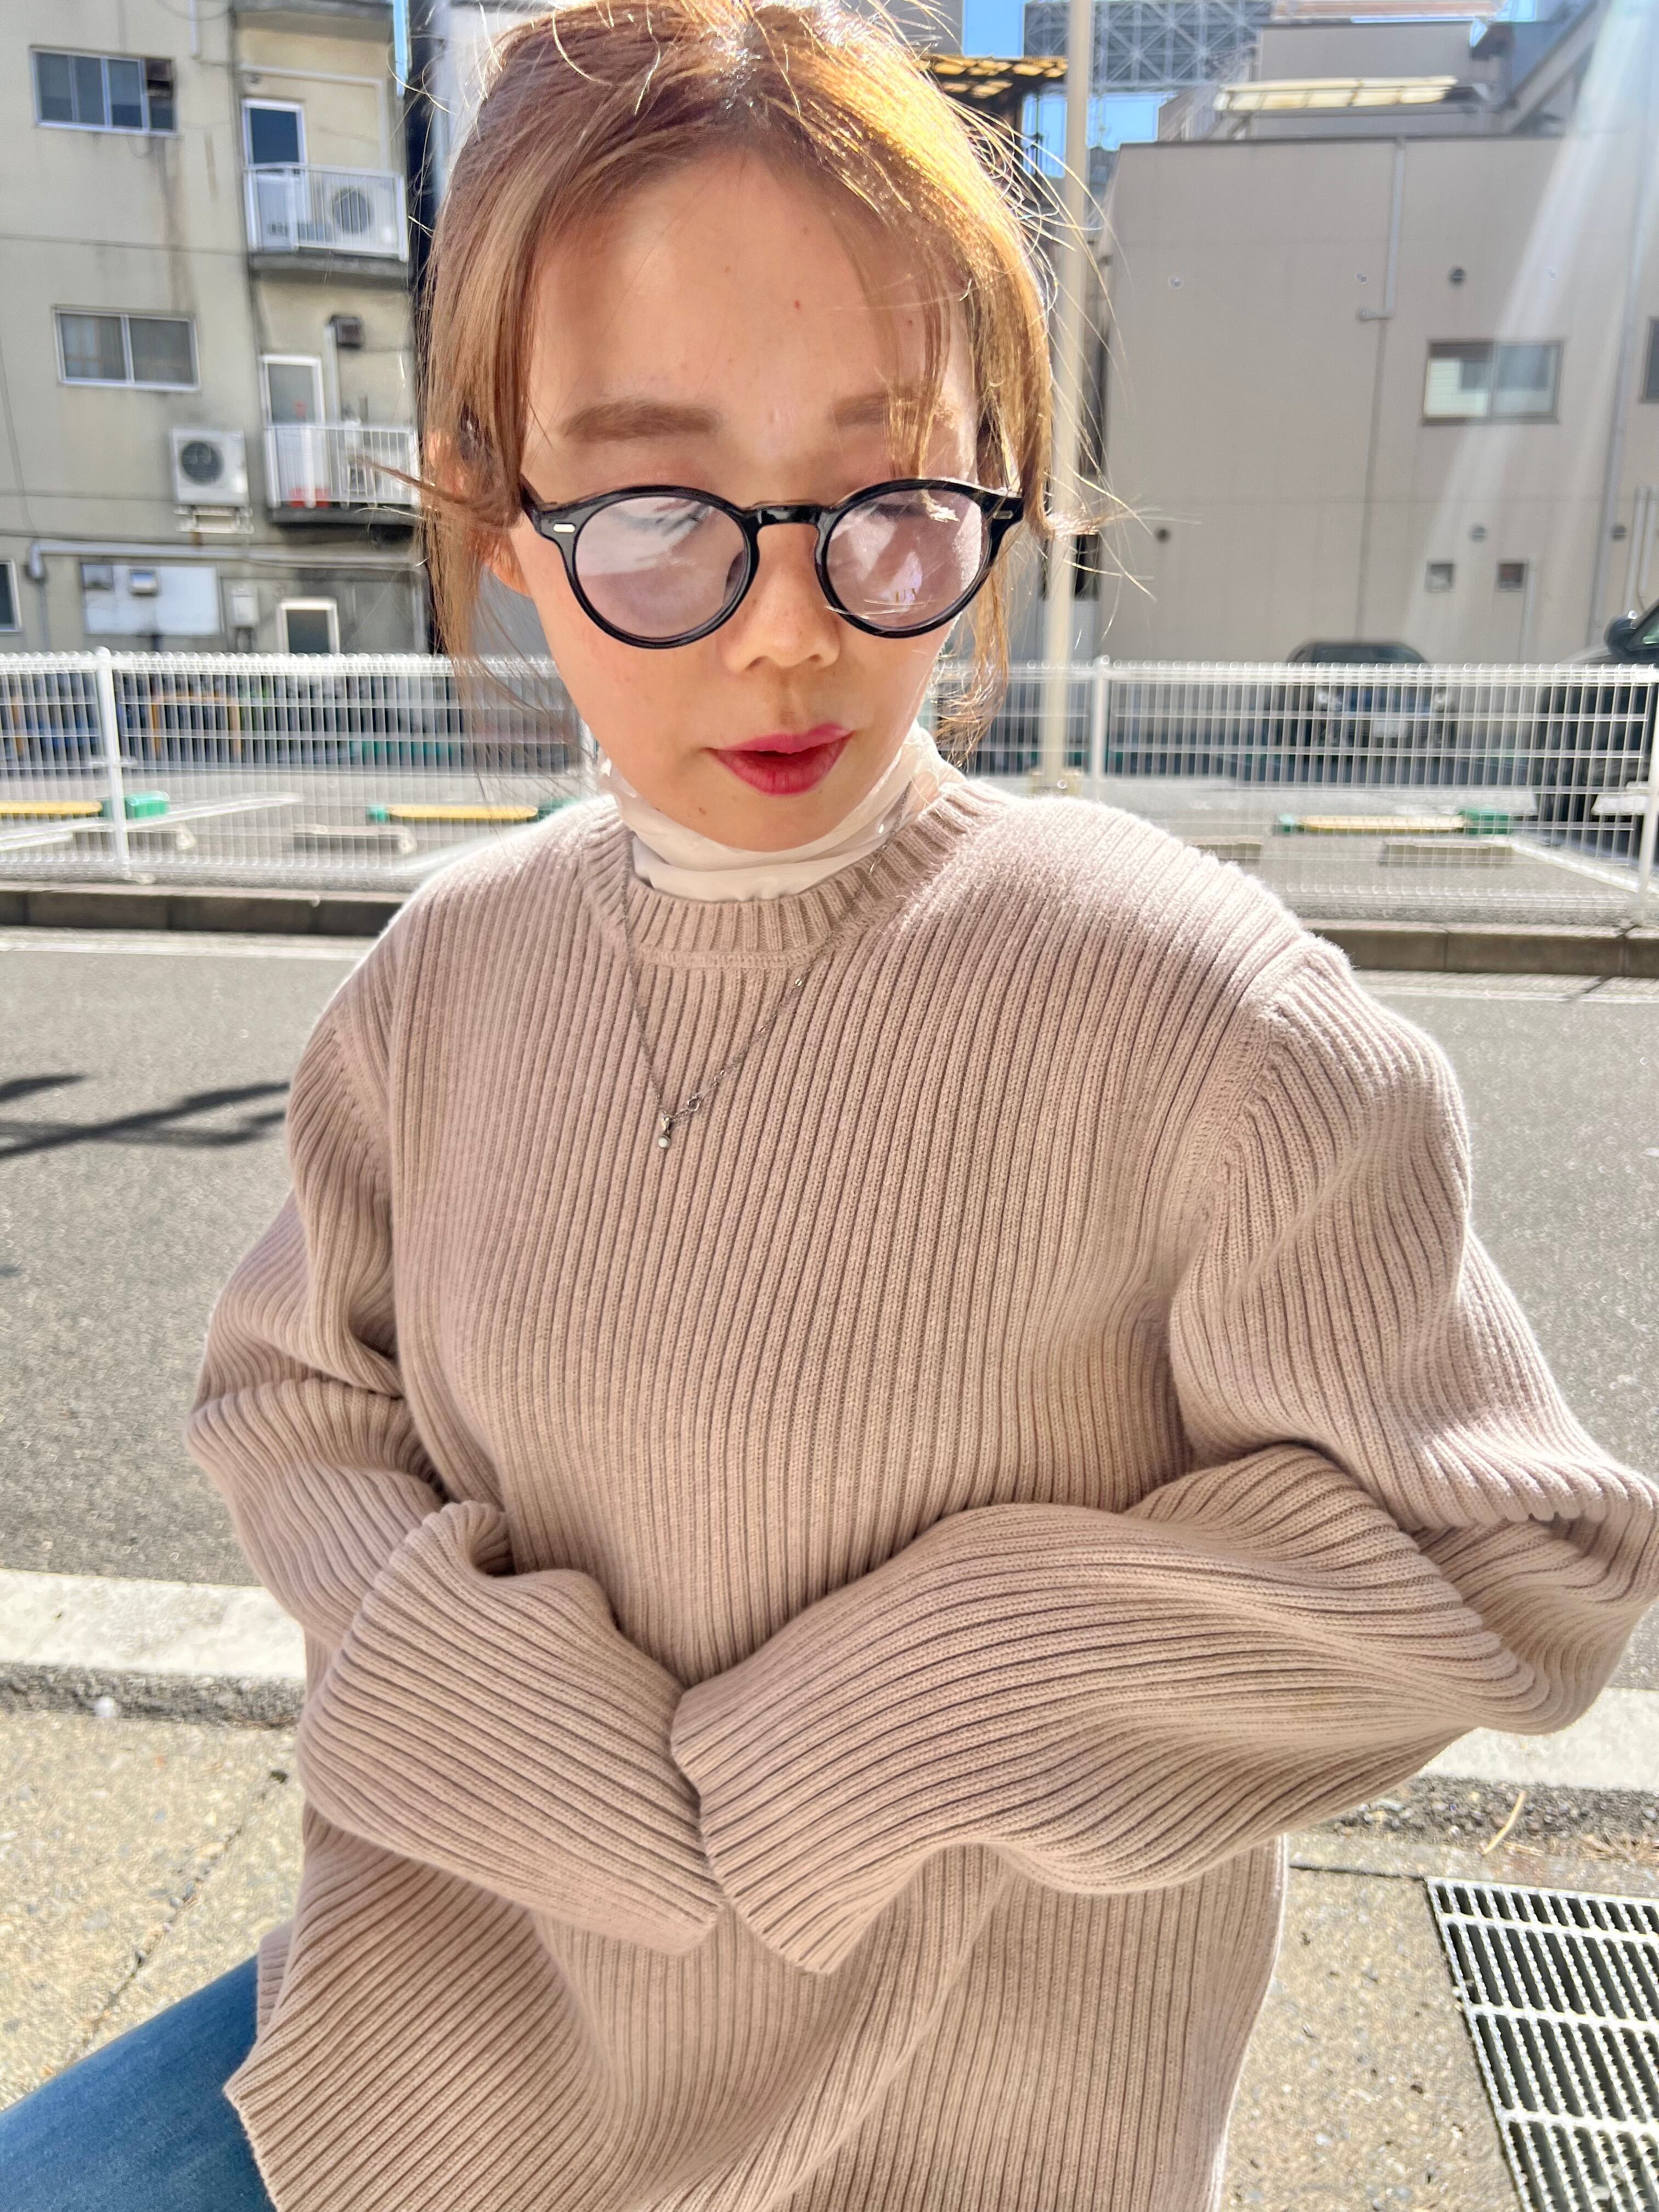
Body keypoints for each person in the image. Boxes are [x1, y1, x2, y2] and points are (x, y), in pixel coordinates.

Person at [5, 2, 1657, 2208]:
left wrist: (910, 1707)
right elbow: (292, 1396)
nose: (789, 632)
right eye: (654, 509)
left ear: (1001, 467)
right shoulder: (445, 977)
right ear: (503, 512)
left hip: (963, 2141)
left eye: (891, 502)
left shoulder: (1193, 1009)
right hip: (433, 2025)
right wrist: (476, 1688)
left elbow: (1519, 1557)